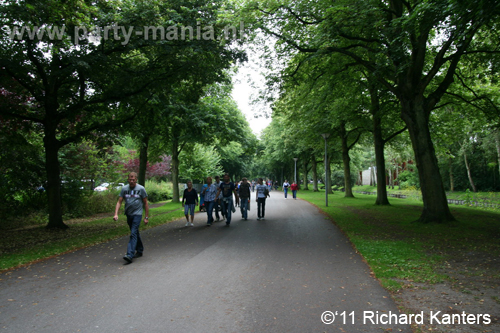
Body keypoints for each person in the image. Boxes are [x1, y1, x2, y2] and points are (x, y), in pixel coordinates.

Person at [113, 172, 149, 264]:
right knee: (135, 232)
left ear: (136, 179)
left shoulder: (141, 189)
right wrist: (116, 214)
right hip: (129, 214)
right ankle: (140, 250)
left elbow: (145, 203)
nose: (131, 181)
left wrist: (146, 217)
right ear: (128, 179)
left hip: (138, 214)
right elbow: (119, 201)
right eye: (130, 179)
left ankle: (129, 254)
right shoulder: (124, 188)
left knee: (133, 233)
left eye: (133, 179)